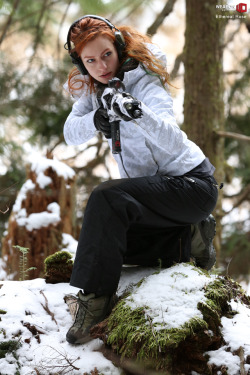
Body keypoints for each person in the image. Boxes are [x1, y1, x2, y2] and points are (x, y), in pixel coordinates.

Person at [63, 15, 220, 345]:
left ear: (118, 46)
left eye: (106, 54)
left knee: (105, 198)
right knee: (103, 245)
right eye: (90, 60)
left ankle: (95, 302)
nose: (101, 66)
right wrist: (97, 117)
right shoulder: (95, 91)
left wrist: (135, 111)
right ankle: (190, 238)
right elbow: (69, 134)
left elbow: (174, 140)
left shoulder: (144, 80)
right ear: (81, 63)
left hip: (191, 185)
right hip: (157, 198)